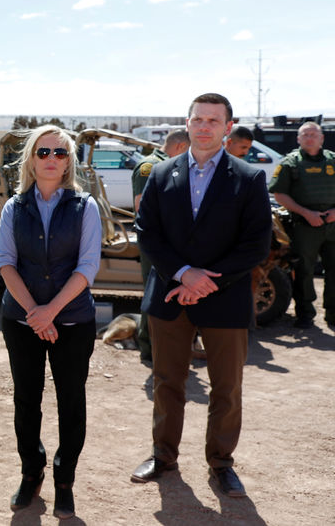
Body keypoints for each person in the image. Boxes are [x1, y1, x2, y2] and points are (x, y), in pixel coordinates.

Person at [131, 93, 272, 498]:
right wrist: (182, 274)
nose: (205, 126)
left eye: (214, 120)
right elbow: (148, 233)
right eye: (198, 119)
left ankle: (221, 463)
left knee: (226, 389)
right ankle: (163, 457)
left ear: (228, 127)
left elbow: (255, 244)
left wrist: (207, 281)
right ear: (188, 124)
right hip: (169, 296)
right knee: (167, 383)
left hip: (223, 298)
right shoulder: (160, 175)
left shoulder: (248, 178)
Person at [0, 124, 102, 520]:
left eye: (60, 153)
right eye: (43, 152)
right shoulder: (13, 208)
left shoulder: (84, 206)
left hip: (72, 322)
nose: (52, 159)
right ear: (31, 159)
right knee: (27, 401)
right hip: (21, 322)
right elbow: (5, 264)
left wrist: (50, 312)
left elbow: (87, 267)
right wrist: (35, 316)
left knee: (71, 402)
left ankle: (64, 479)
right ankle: (31, 471)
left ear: (69, 161)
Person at [268, 121, 335, 328]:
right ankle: (305, 314)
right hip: (304, 225)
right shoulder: (290, 163)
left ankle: (333, 314)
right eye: (305, 134)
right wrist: (307, 213)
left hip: (332, 224)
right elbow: (279, 194)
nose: (310, 138)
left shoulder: (333, 160)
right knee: (304, 271)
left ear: (322, 138)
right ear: (298, 139)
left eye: (314, 134)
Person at [131, 129, 190, 363]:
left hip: (169, 241)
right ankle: (148, 346)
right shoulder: (150, 167)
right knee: (153, 292)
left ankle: (160, 345)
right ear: (181, 147)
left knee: (164, 294)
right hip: (155, 241)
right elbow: (140, 206)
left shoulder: (169, 164)